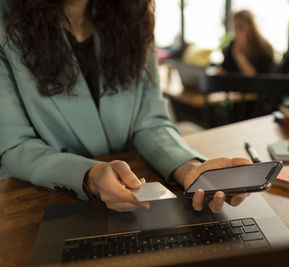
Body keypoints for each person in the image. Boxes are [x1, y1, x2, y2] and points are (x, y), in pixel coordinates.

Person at [0, 0, 251, 213]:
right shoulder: (7, 26)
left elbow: (150, 122)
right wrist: (89, 174)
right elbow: (15, 145)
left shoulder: (133, 13)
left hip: (137, 202)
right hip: (45, 204)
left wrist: (189, 169)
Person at [219, 10, 276, 76]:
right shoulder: (233, 45)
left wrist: (239, 56)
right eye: (234, 28)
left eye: (240, 27)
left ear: (251, 28)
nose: (236, 32)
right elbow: (224, 69)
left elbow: (256, 78)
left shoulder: (264, 48)